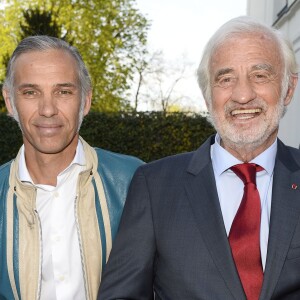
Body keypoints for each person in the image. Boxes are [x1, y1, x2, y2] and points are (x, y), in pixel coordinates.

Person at [98, 16, 300, 300]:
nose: (243, 95)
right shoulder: (154, 187)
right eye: (225, 78)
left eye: (260, 75)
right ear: (207, 96)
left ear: (288, 88)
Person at [0, 36, 143, 300]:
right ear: (10, 101)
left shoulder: (136, 182)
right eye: (30, 92)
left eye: (63, 92)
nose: (47, 109)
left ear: (85, 101)